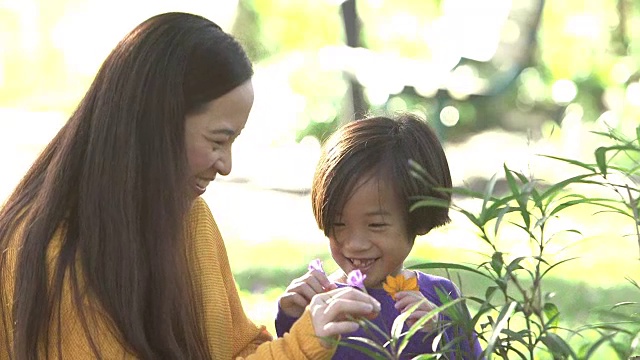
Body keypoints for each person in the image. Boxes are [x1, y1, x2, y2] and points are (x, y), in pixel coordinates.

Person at [0, 12, 382, 359]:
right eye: (217, 141)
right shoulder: (54, 252)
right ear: (156, 125)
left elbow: (234, 350)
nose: (227, 165)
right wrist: (299, 346)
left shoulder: (190, 218)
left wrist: (302, 326)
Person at [276, 114, 484, 359]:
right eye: (338, 223)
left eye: (375, 224)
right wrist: (291, 317)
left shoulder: (440, 297)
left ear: (419, 217)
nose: (354, 244)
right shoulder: (318, 303)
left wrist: (440, 334)